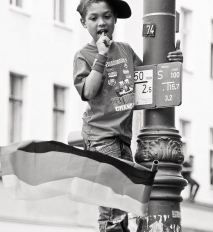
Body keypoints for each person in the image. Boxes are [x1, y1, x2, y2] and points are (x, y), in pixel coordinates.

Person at [73, 0, 183, 231]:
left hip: (122, 137)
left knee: (125, 197)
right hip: (101, 136)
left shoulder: (125, 50)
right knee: (112, 201)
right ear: (84, 23)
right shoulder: (84, 55)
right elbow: (89, 91)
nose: (101, 22)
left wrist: (173, 65)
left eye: (107, 16)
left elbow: (149, 83)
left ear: (114, 19)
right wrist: (101, 57)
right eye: (93, 18)